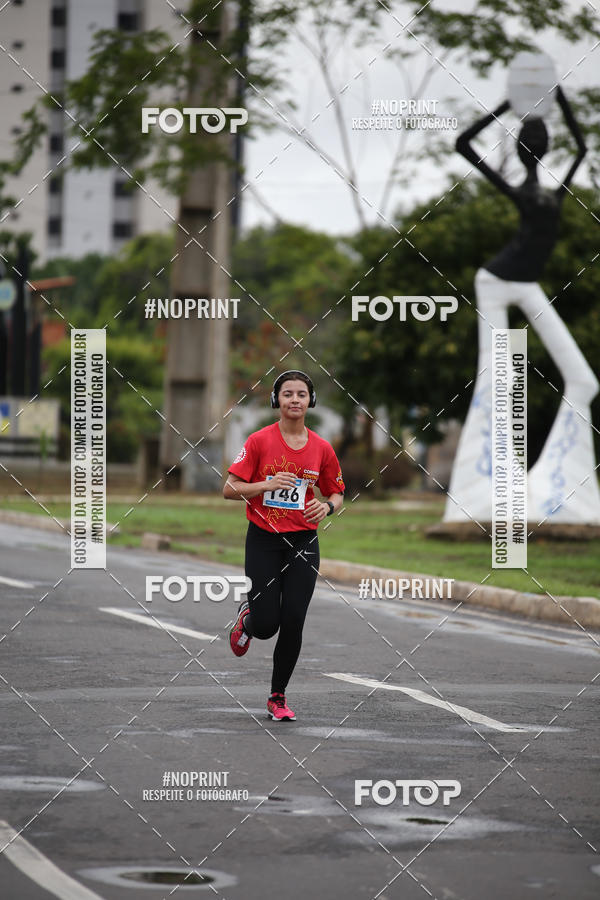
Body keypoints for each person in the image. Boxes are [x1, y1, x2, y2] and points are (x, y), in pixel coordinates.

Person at [444, 87, 600, 523]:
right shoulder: (521, 192)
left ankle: (559, 492)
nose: (537, 145)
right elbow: (463, 144)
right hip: (495, 282)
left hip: (526, 284)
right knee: (498, 380)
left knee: (584, 380)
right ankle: (483, 494)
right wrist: (507, 106)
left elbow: (582, 147)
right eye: (530, 140)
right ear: (519, 147)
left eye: (541, 139)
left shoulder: (554, 191)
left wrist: (558, 95)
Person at [223, 371, 345, 721]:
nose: (295, 399)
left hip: (303, 541)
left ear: (311, 400)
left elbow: (337, 491)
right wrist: (265, 484)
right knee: (267, 625)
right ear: (276, 399)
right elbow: (229, 488)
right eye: (287, 393)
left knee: (293, 619)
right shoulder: (259, 441)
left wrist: (327, 507)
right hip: (263, 539)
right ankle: (248, 620)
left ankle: (277, 696)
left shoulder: (321, 448)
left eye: (301, 394)